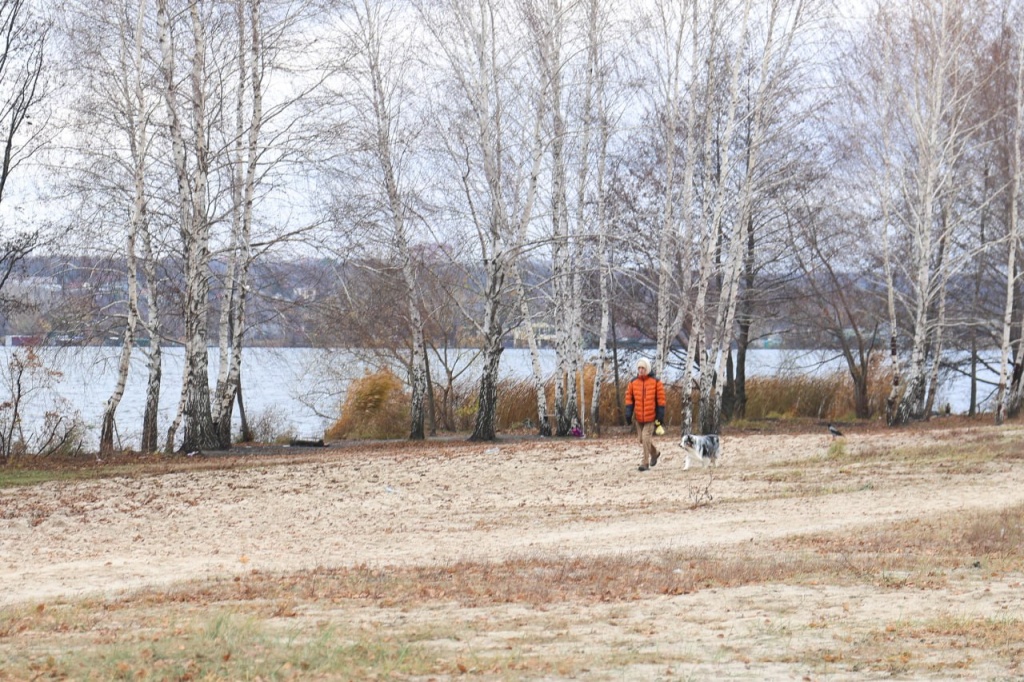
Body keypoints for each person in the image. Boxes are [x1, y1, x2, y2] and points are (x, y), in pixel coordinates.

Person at [624, 357, 666, 471]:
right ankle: (655, 453)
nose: (641, 370)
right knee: (642, 440)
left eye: (643, 368)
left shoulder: (656, 382)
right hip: (638, 417)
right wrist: (628, 413)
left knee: (645, 438)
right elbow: (629, 399)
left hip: (651, 417)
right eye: (639, 368)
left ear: (647, 368)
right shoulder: (633, 382)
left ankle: (645, 463)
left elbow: (661, 400)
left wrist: (660, 416)